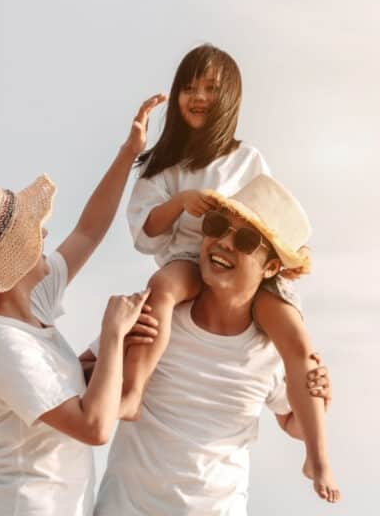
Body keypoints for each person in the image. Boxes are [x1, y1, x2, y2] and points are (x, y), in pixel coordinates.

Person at [113, 43, 338, 500]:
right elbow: (145, 233)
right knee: (161, 286)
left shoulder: (247, 159)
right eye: (189, 88)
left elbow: (270, 216)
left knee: (297, 342)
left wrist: (313, 406)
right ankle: (134, 390)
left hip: (252, 274)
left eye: (211, 89)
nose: (198, 97)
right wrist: (179, 204)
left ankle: (319, 455)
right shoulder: (163, 167)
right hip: (187, 259)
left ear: (230, 98)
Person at [0, 96, 167, 515]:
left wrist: (129, 152)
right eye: (33, 230)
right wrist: (112, 335)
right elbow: (94, 427)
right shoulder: (0, 343)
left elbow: (89, 229)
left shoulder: (32, 303)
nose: (44, 232)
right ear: (14, 257)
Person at [88, 174, 338, 515]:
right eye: (218, 225)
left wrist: (322, 402)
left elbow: (292, 423)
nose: (224, 243)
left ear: (271, 268)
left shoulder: (269, 353)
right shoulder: (157, 318)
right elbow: (81, 374)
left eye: (247, 240)